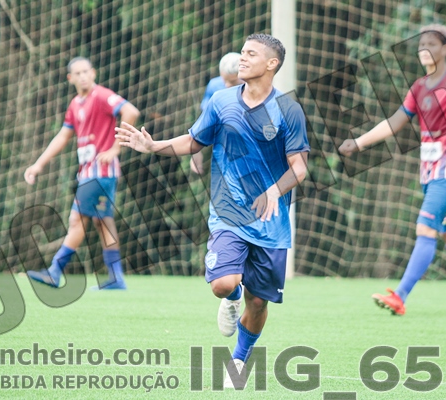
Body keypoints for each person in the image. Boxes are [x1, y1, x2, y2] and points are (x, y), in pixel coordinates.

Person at [116, 33, 309, 387]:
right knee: (223, 284)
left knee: (258, 303)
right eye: (242, 52)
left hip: (271, 222)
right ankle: (231, 299)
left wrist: (273, 190)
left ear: (272, 64)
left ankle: (239, 360)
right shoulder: (221, 101)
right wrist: (154, 146)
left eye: (251, 54)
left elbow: (299, 168)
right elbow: (193, 141)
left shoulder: (288, 110)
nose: (242, 58)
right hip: (227, 213)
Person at [339, 24, 446, 317]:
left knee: (425, 227)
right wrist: (358, 142)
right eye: (421, 44)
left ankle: (400, 296)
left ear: (445, 49)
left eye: (432, 44)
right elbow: (395, 123)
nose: (424, 49)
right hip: (429, 174)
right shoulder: (419, 87)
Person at [24, 57, 140, 290]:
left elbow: (130, 112)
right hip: (90, 172)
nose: (83, 76)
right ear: (70, 78)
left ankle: (55, 271)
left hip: (100, 172)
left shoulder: (101, 95)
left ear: (93, 73)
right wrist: (38, 165)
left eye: (86, 71)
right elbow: (63, 136)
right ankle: (116, 278)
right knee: (102, 222)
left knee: (77, 219)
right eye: (77, 73)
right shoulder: (75, 104)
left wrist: (116, 148)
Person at [190, 52, 242, 175]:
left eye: (232, 81)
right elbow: (205, 121)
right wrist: (196, 150)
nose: (227, 85)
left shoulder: (254, 91)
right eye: (224, 80)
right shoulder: (214, 86)